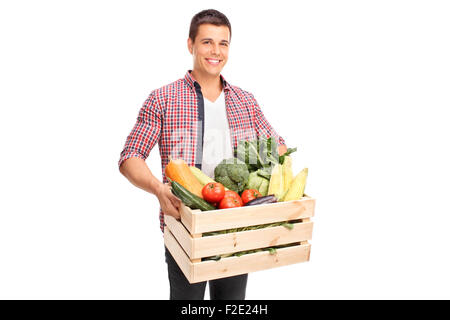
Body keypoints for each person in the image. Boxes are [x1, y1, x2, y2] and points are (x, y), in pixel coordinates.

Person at [118, 9, 287, 300]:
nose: (216, 51)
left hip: (235, 225)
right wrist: (158, 189)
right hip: (185, 227)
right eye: (207, 42)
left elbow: (279, 146)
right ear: (190, 45)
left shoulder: (245, 101)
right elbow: (130, 156)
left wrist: (268, 171)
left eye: (223, 43)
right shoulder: (163, 99)